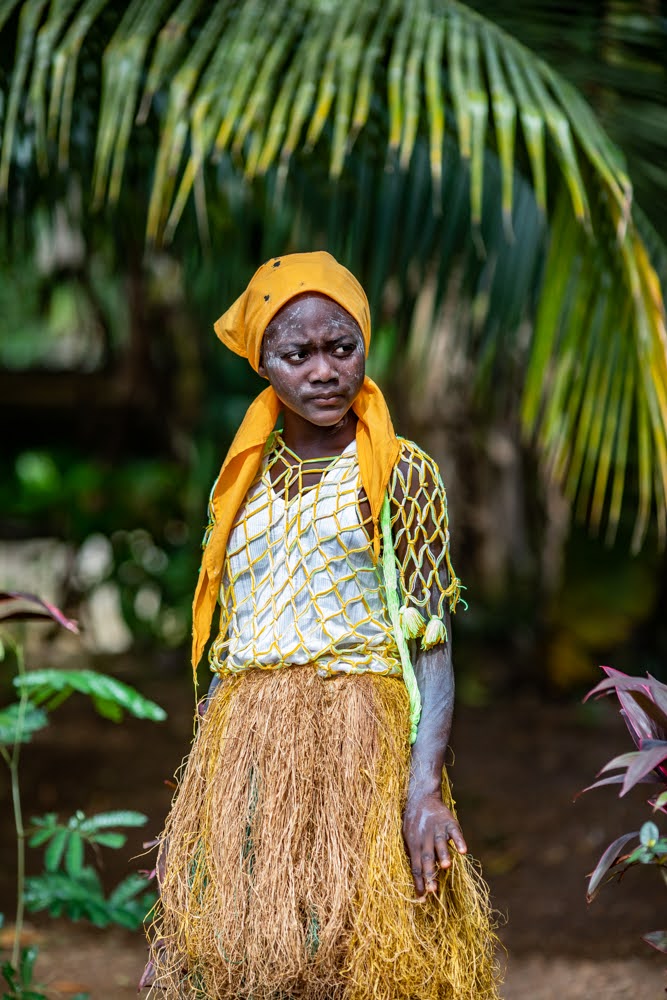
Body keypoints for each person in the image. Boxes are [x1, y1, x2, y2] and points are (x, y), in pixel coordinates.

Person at [145, 251, 499, 999]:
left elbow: (429, 642)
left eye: (341, 347)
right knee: (247, 952)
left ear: (364, 344)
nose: (322, 371)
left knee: (357, 945)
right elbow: (233, 631)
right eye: (295, 353)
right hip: (248, 737)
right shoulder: (239, 478)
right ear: (263, 364)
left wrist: (423, 790)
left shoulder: (402, 473)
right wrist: (204, 786)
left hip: (359, 732)